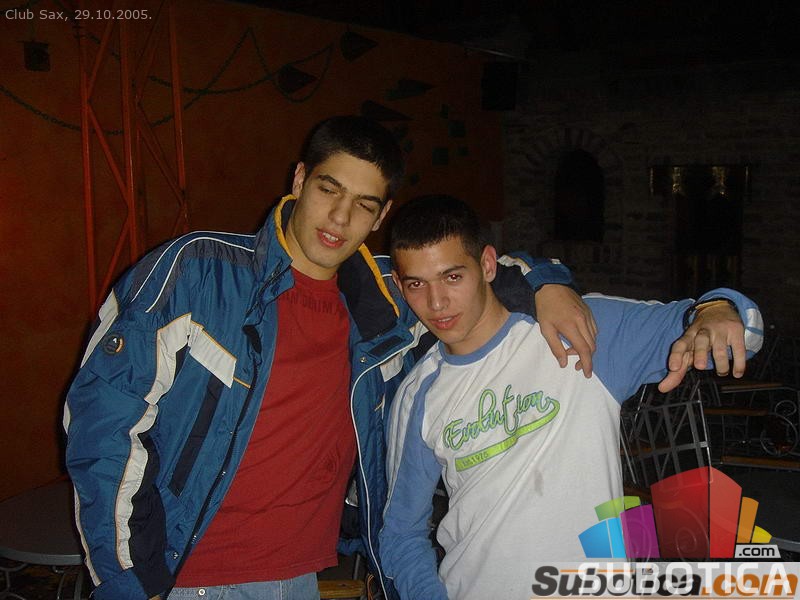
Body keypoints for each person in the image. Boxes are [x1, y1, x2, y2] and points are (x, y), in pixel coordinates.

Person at [63, 117, 599, 600]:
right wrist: (129, 581)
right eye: (329, 189)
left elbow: (482, 272)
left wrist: (548, 284)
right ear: (299, 180)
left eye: (364, 204)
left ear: (381, 215)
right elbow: (103, 425)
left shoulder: (390, 299)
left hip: (303, 576)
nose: (340, 217)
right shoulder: (199, 273)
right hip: (191, 578)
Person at [379, 195, 763, 600]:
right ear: (401, 288)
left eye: (453, 277)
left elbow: (738, 330)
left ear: (488, 265)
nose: (436, 303)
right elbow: (401, 533)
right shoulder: (419, 393)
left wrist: (717, 309)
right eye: (417, 284)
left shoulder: (580, 329)